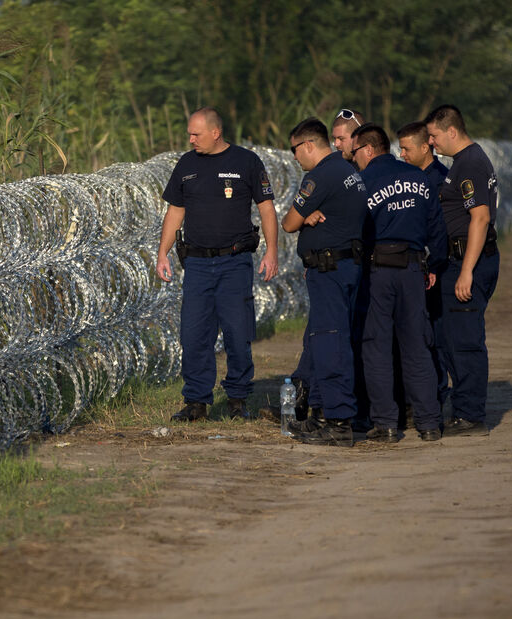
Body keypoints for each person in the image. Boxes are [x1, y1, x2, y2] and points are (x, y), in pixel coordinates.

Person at [157, 108, 279, 422]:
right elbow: (175, 212)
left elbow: (266, 209)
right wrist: (162, 254)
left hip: (234, 262)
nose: (190, 139)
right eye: (189, 133)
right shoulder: (186, 164)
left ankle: (237, 399)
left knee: (238, 333)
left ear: (215, 132)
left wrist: (272, 252)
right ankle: (196, 401)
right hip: (197, 263)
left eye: (196, 133)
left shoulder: (246, 162)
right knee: (194, 334)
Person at [350, 123, 447, 442]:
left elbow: (355, 231)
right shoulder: (419, 177)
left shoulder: (363, 182)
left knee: (376, 346)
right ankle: (430, 423)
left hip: (378, 271)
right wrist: (432, 265)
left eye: (355, 153)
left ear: (367, 149)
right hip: (413, 269)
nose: (354, 160)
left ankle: (387, 424)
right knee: (416, 345)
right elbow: (436, 228)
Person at [282, 117, 367, 446]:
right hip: (346, 265)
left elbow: (290, 222)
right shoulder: (348, 172)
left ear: (307, 145)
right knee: (326, 341)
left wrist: (304, 218)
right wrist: (311, 217)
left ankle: (338, 420)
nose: (294, 158)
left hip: (329, 270)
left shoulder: (319, 177)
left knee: (330, 343)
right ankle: (320, 414)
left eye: (294, 150)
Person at [424, 104, 500, 436]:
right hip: (457, 261)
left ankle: (471, 415)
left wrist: (467, 270)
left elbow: (480, 218)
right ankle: (462, 408)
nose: (431, 142)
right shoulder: (462, 162)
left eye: (434, 135)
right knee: (450, 337)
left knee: (465, 340)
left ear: (451, 131)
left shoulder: (470, 163)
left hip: (469, 261)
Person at [397, 120, 451, 409]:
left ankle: (437, 398)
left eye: (406, 149)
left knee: (434, 338)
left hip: (434, 269)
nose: (402, 154)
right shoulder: (404, 178)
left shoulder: (441, 180)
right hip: (410, 269)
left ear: (424, 147)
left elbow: (442, 230)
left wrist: (433, 266)